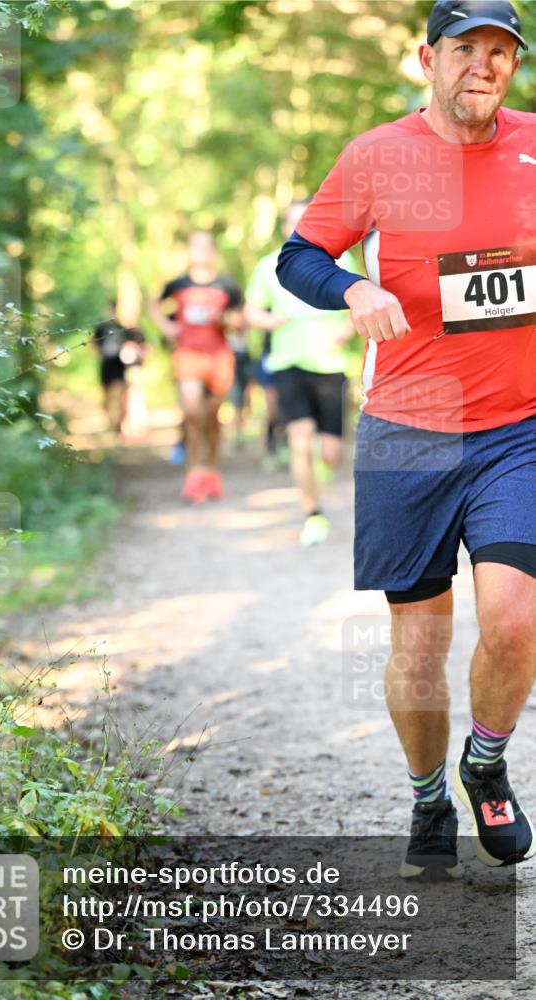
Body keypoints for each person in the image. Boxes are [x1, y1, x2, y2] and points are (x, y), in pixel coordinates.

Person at [277, 0, 535, 878]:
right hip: (408, 432)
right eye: (466, 49)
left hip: (518, 428)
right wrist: (350, 289)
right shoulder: (377, 156)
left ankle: (486, 763)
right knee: (418, 645)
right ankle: (427, 794)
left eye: (500, 53)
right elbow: (299, 255)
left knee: (514, 616)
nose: (484, 66)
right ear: (425, 57)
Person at [246, 202, 356, 545]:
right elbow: (250, 309)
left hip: (329, 365)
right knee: (300, 441)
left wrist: (348, 328)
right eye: (293, 222)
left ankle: (318, 487)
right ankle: (312, 513)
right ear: (284, 228)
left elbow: (362, 300)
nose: (298, 226)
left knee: (331, 453)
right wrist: (268, 321)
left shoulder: (340, 260)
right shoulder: (268, 266)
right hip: (287, 363)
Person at [149, 231, 244, 503]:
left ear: (213, 252)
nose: (201, 252)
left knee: (212, 417)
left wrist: (223, 319)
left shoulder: (227, 286)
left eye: (206, 247)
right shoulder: (177, 283)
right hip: (188, 354)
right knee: (191, 411)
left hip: (218, 357)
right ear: (189, 252)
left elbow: (240, 320)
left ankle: (211, 471)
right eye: (195, 246)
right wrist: (167, 326)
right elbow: (153, 304)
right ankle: (193, 474)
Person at [93, 307, 145, 436]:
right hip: (106, 365)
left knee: (120, 395)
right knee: (108, 396)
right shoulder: (101, 328)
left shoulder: (123, 328)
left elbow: (134, 345)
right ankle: (111, 422)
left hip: (119, 366)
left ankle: (118, 425)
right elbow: (93, 345)